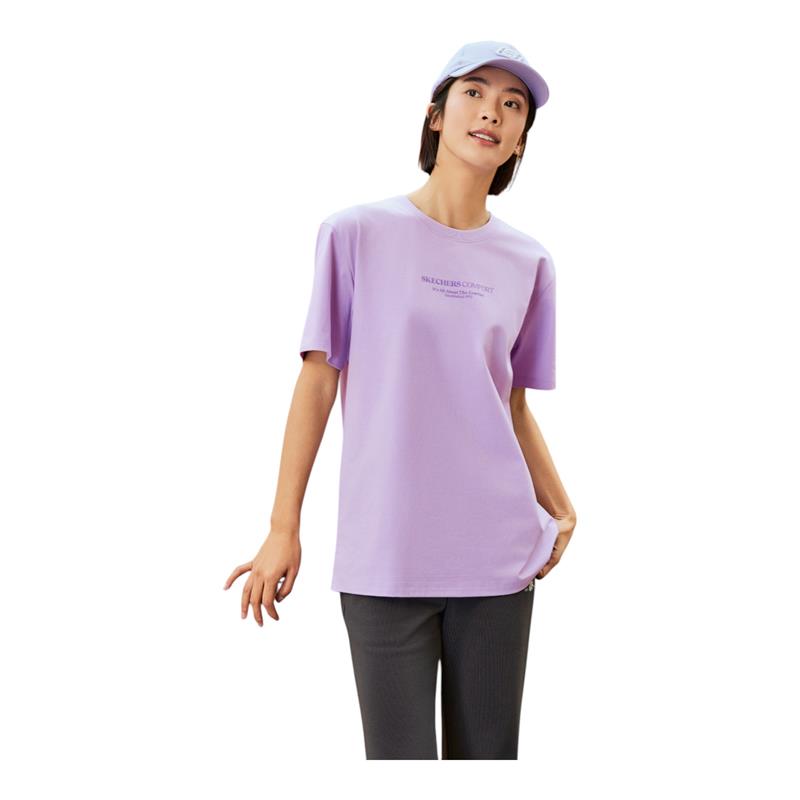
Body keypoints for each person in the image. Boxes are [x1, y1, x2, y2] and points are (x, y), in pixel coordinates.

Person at [224, 40, 577, 760]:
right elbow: (317, 381)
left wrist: (563, 507)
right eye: (475, 93)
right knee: (399, 766)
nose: (493, 111)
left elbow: (511, 405)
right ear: (436, 116)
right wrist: (283, 527)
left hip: (499, 557)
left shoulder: (529, 262)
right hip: (385, 553)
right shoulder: (355, 234)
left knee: (488, 768)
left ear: (519, 142)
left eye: (513, 105)